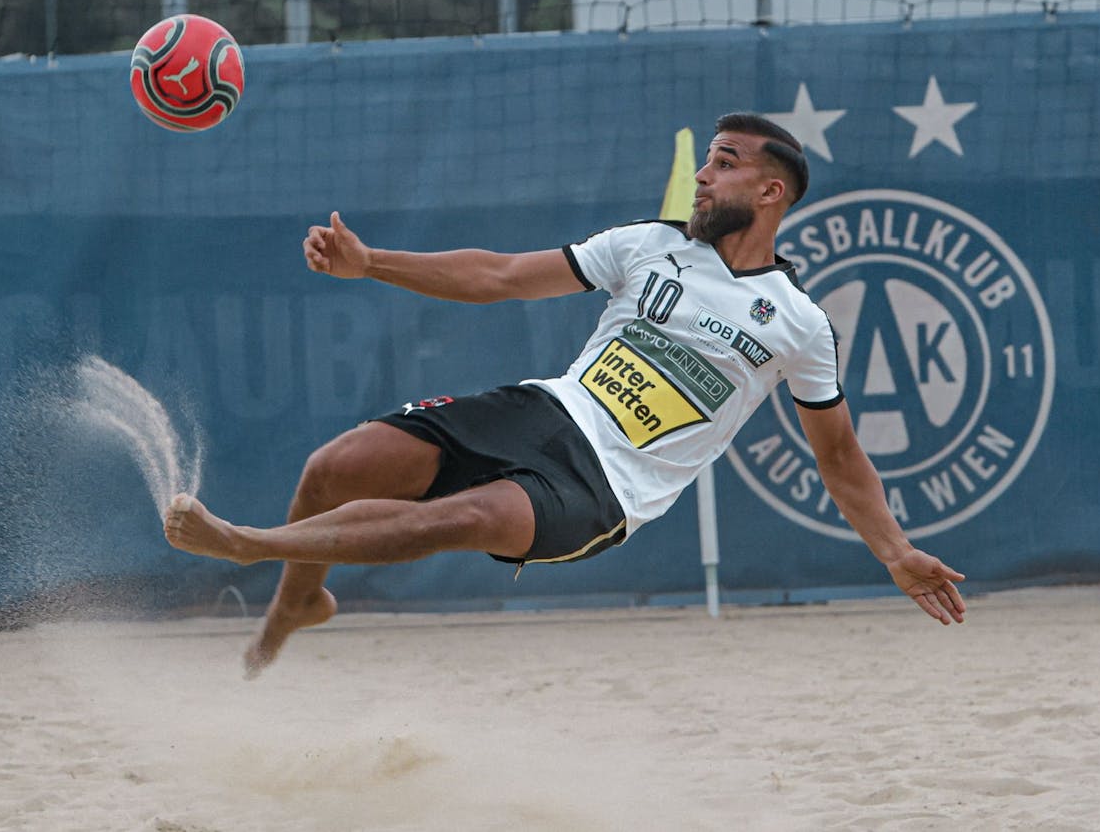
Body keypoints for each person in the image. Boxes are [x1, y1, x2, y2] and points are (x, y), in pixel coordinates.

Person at [164, 112, 967, 678]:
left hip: (605, 489)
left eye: (724, 161)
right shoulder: (650, 245)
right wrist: (371, 262)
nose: (704, 171)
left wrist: (894, 551)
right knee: (335, 466)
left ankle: (251, 543)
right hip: (545, 410)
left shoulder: (799, 322)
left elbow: (839, 454)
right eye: (707, 157)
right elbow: (501, 275)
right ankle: (289, 612)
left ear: (769, 193)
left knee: (462, 518)